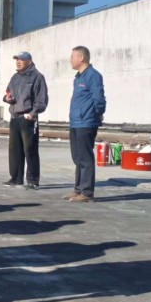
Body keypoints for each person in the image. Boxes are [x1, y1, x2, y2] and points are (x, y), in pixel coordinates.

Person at [65, 46, 106, 202]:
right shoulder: (78, 77)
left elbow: (99, 99)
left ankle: (87, 193)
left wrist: (96, 114)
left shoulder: (93, 76)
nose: (70, 60)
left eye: (72, 56)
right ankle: (78, 189)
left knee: (85, 158)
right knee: (77, 157)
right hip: (76, 122)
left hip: (86, 122)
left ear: (81, 58)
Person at [2, 51, 48, 190]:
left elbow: (41, 99)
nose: (18, 62)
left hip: (28, 118)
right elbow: (8, 93)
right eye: (16, 59)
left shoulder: (37, 77)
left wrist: (33, 114)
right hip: (15, 117)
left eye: (21, 59)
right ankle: (16, 178)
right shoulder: (15, 77)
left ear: (29, 61)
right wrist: (7, 98)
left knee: (30, 150)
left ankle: (33, 180)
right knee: (14, 150)